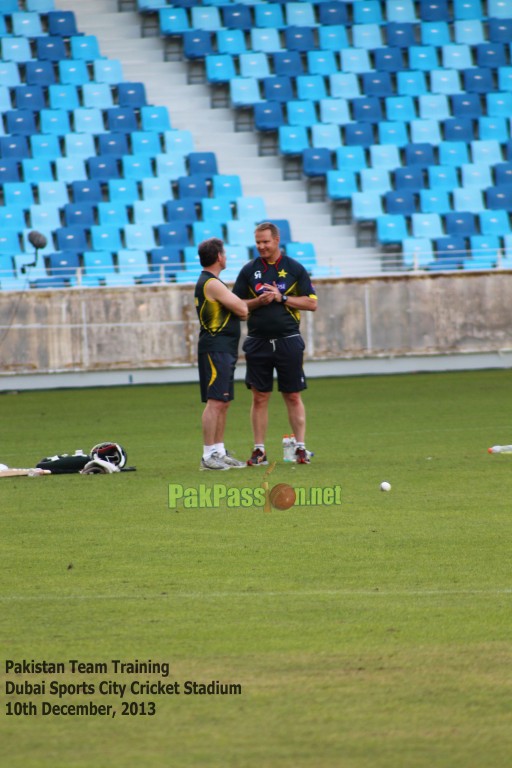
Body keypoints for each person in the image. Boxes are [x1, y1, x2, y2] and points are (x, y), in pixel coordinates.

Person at [233, 222, 317, 465]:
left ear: (277, 241)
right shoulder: (249, 270)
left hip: (288, 341)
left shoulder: (294, 268)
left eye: (265, 242)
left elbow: (312, 303)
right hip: (257, 342)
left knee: (292, 395)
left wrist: (282, 298)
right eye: (258, 242)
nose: (261, 246)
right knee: (259, 397)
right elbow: (237, 305)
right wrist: (258, 302)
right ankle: (259, 451)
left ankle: (300, 448)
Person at [195, 238, 249, 471]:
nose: (225, 256)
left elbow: (240, 307)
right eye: (224, 253)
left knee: (223, 401)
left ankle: (218, 451)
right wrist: (244, 306)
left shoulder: (212, 283)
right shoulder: (212, 283)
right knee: (215, 401)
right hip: (215, 348)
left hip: (224, 348)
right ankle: (208, 456)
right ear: (218, 257)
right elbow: (242, 309)